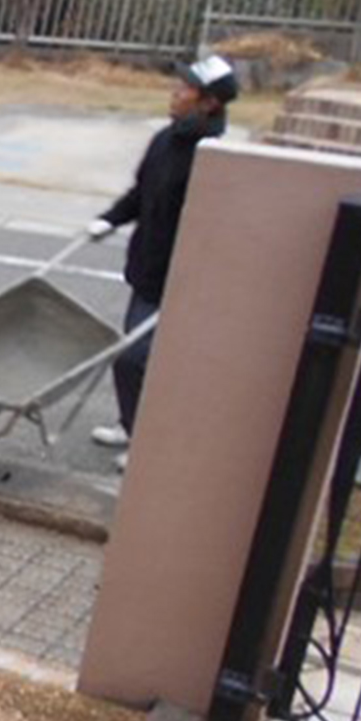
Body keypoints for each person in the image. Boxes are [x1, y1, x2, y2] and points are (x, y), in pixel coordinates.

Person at [86, 53, 238, 468]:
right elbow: (140, 193)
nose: (175, 92)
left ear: (208, 103)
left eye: (186, 88)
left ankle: (146, 441)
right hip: (147, 273)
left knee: (137, 359)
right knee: (131, 359)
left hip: (180, 284)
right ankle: (129, 422)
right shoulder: (166, 140)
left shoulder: (214, 158)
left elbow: (213, 232)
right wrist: (109, 220)